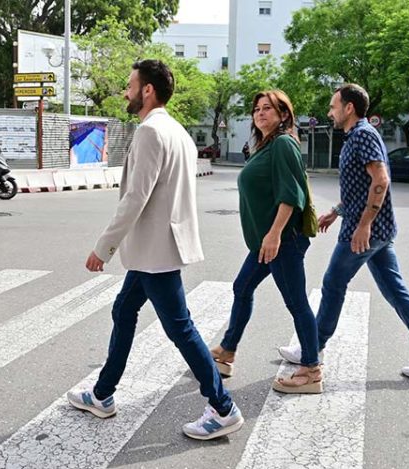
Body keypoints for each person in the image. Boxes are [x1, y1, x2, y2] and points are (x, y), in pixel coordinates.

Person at [67, 59, 244, 441]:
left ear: (148, 90)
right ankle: (102, 393)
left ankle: (223, 406)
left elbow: (135, 198)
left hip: (155, 250)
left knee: (180, 327)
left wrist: (104, 247)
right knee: (124, 309)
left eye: (131, 85)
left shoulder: (150, 132)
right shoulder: (176, 130)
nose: (126, 92)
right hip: (159, 246)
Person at [278, 84, 409, 378]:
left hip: (366, 231)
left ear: (349, 108)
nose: (330, 112)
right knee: (394, 289)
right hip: (374, 229)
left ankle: (313, 347)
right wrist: (336, 211)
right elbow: (360, 187)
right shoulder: (358, 136)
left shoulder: (362, 135)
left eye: (333, 107)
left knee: (333, 283)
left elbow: (380, 179)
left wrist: (364, 225)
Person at [210, 90, 322, 394]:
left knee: (296, 303)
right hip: (267, 243)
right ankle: (227, 351)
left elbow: (290, 195)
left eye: (268, 109)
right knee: (242, 287)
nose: (260, 113)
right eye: (257, 109)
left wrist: (273, 235)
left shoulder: (283, 144)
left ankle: (311, 369)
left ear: (283, 115)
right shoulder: (265, 145)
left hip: (282, 241)